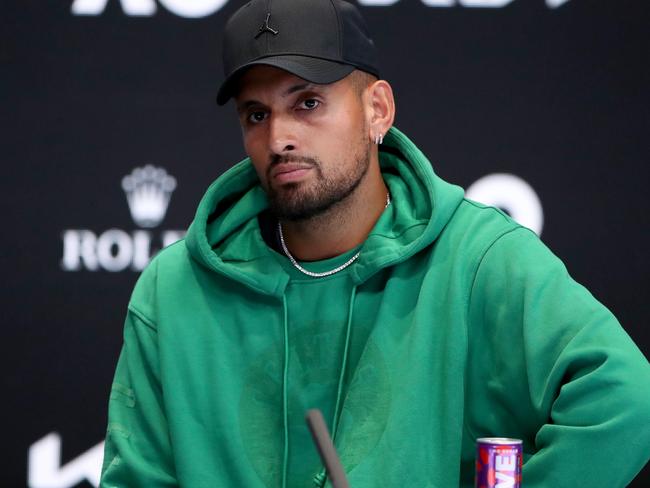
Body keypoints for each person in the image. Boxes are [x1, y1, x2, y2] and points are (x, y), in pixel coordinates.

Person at [99, 0, 650, 486]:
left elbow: (627, 402)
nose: (279, 137)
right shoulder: (173, 292)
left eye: (308, 103)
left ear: (377, 109)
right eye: (256, 114)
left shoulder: (478, 258)